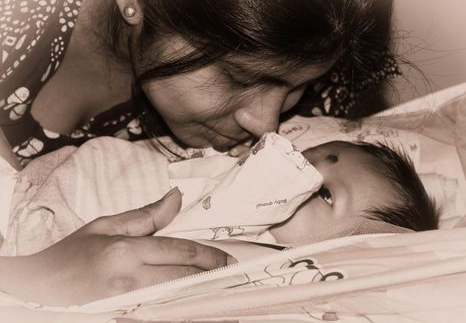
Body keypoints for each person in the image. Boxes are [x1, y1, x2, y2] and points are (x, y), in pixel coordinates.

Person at [0, 0, 398, 307]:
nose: (266, 123)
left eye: (300, 86)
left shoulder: (319, 72)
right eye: (238, 78)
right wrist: (27, 276)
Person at [3, 133, 438, 257]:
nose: (298, 174)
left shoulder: (257, 260)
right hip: (54, 187)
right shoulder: (229, 172)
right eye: (302, 157)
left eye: (323, 194)